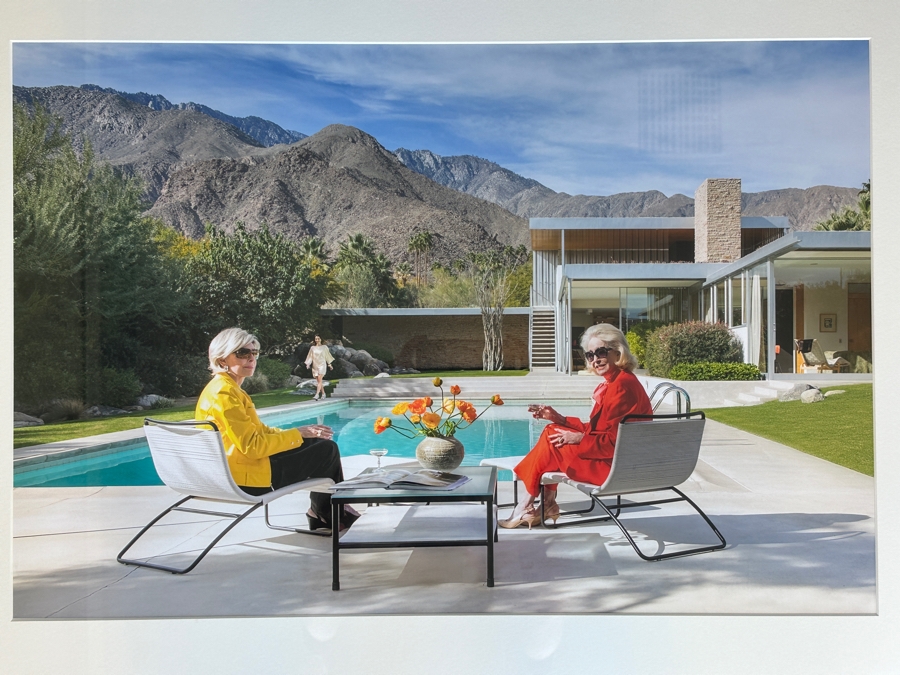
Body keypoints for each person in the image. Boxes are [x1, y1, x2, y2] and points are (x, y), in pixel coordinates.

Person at [195, 327, 358, 532]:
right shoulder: (224, 394)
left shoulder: (226, 388)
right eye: (242, 353)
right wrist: (297, 434)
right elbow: (253, 447)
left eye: (254, 353)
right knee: (326, 450)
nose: (251, 358)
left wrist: (301, 432)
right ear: (222, 360)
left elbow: (259, 431)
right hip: (246, 480)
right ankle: (328, 511)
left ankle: (325, 512)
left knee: (318, 443)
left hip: (239, 472)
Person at [500, 323, 653, 529]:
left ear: (618, 352)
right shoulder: (619, 382)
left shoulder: (621, 387)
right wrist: (561, 419)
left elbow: (615, 442)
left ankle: (527, 505)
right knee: (553, 432)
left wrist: (578, 438)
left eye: (601, 352)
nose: (595, 359)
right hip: (620, 464)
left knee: (551, 436)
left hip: (614, 469)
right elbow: (601, 430)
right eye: (590, 355)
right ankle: (546, 502)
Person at [304, 335, 334, 401]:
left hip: (322, 365)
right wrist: (308, 363)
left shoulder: (324, 347)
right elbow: (310, 356)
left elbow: (327, 356)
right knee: (319, 381)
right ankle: (323, 393)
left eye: (318, 338)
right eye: (316, 339)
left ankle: (317, 394)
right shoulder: (312, 348)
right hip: (315, 365)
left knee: (320, 379)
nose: (317, 340)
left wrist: (329, 364)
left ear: (321, 339)